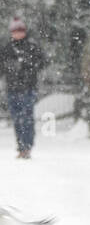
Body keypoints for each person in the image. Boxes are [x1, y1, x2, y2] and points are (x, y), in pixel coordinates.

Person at [1, 16, 48, 159]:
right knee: (16, 119)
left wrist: (28, 66)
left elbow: (43, 62)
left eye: (20, 30)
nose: (18, 33)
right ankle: (21, 145)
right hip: (12, 88)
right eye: (15, 31)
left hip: (28, 88)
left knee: (26, 117)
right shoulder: (7, 49)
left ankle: (27, 145)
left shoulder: (32, 47)